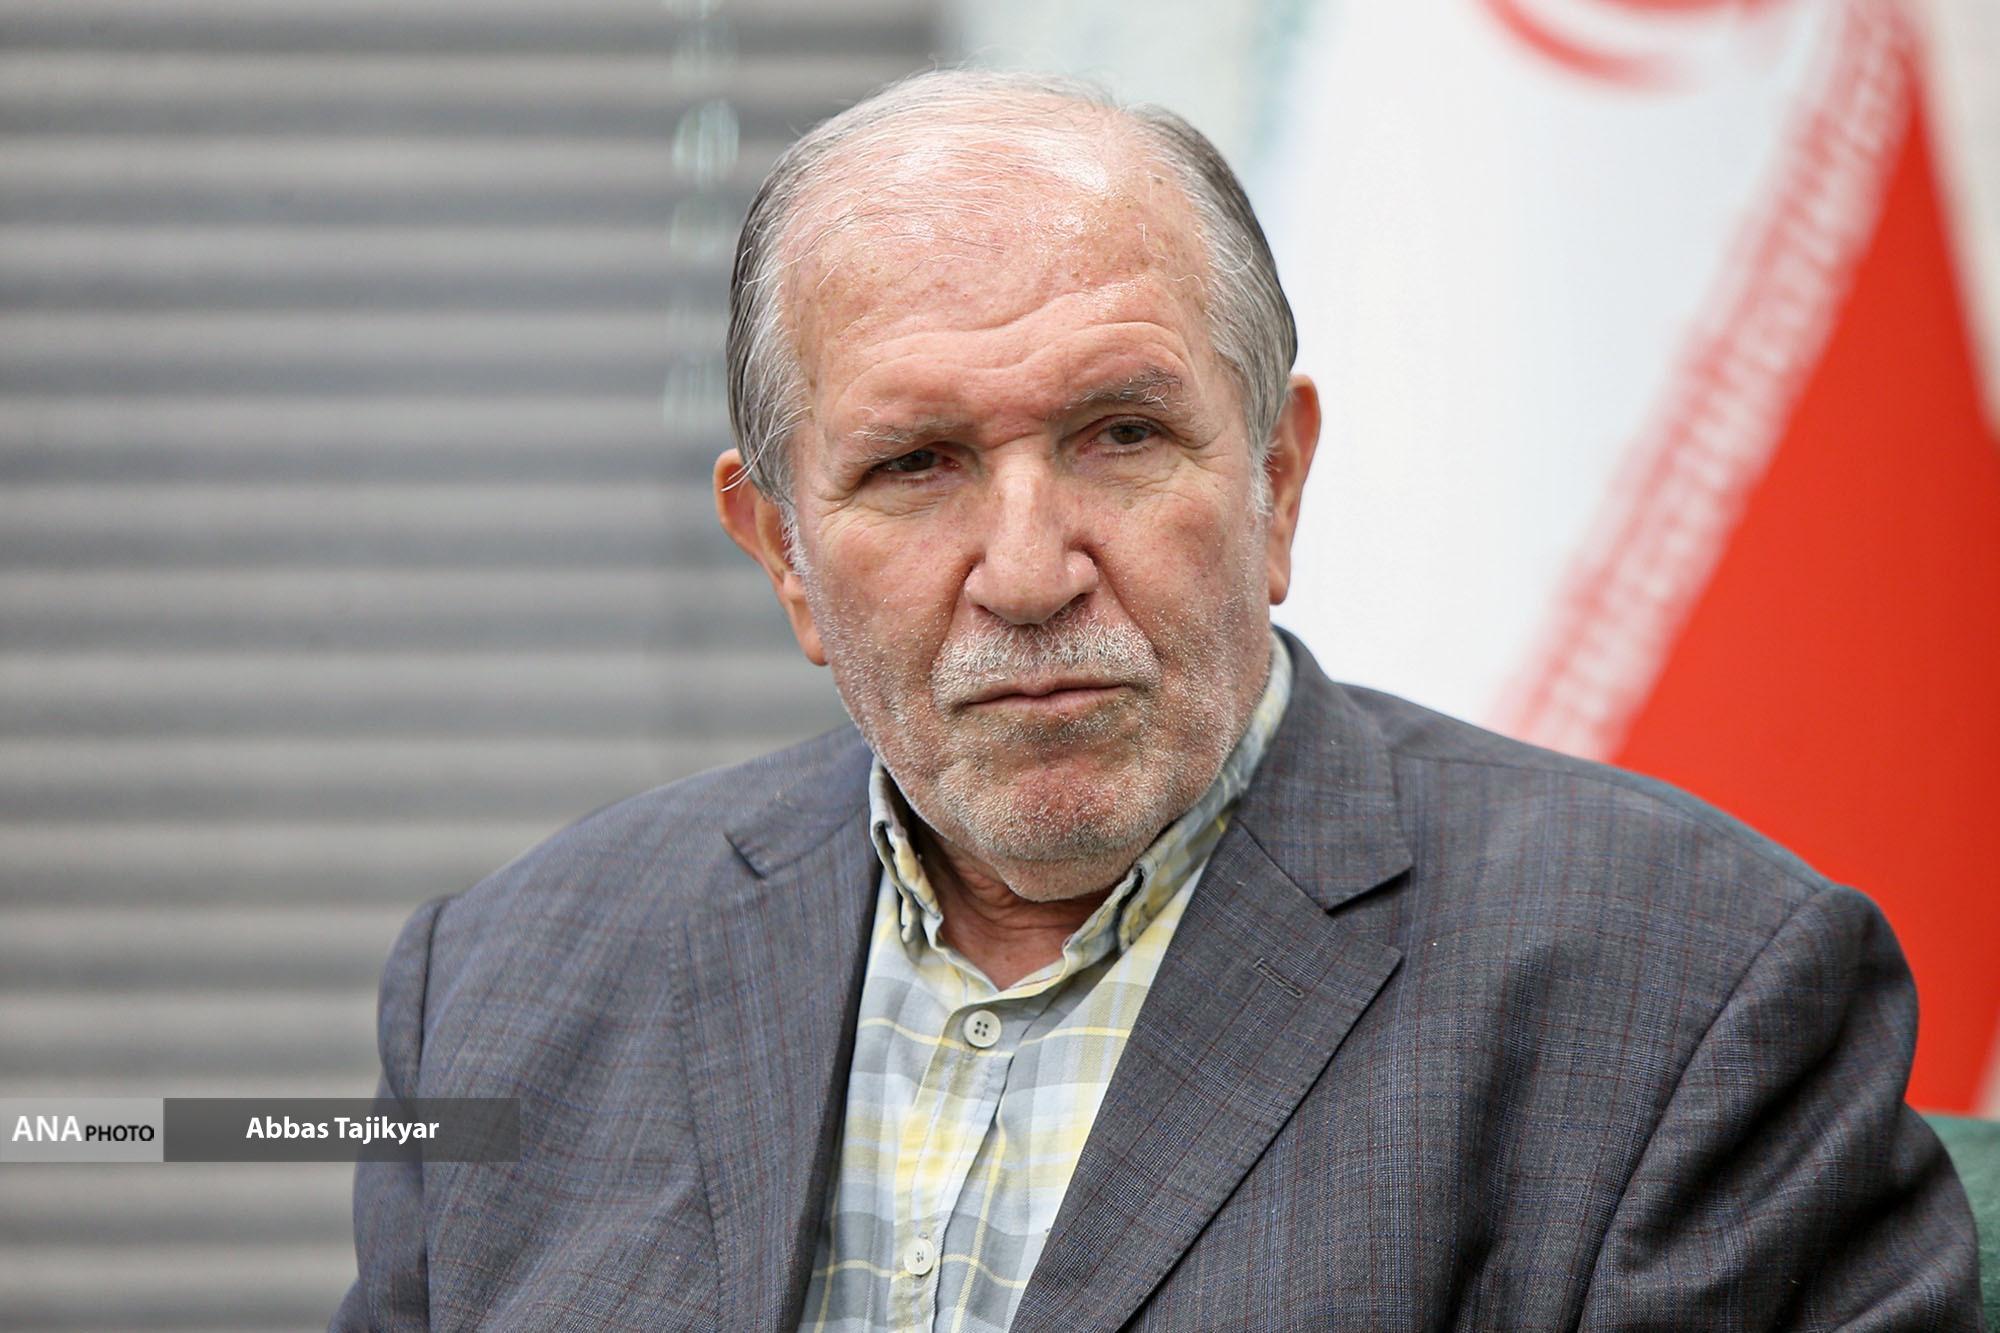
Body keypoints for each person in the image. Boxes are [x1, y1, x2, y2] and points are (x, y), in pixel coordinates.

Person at [336, 70, 1984, 1331]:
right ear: (782, 555)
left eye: (1122, 434)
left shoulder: (1690, 994)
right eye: (916, 464)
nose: (1029, 568)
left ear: (1277, 480)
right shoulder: (503, 987)